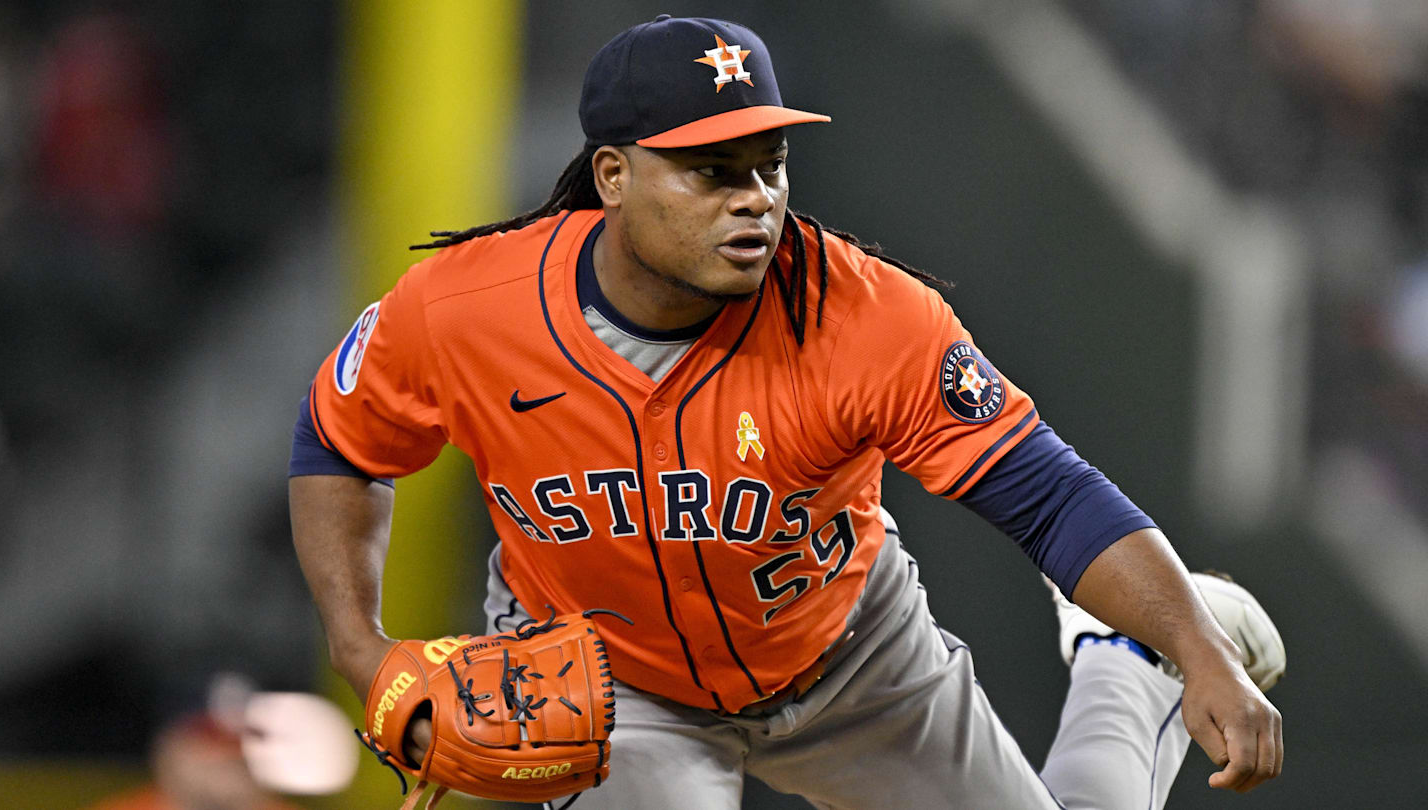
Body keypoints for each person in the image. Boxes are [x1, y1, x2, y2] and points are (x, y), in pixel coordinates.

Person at [289, 15, 1285, 809]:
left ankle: (1127, 661)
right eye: (713, 172)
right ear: (613, 176)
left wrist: (1198, 651)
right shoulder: (465, 310)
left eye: (768, 164)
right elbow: (338, 438)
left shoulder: (863, 313)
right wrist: (355, 640)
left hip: (854, 660)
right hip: (620, 690)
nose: (755, 200)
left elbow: (1050, 498)